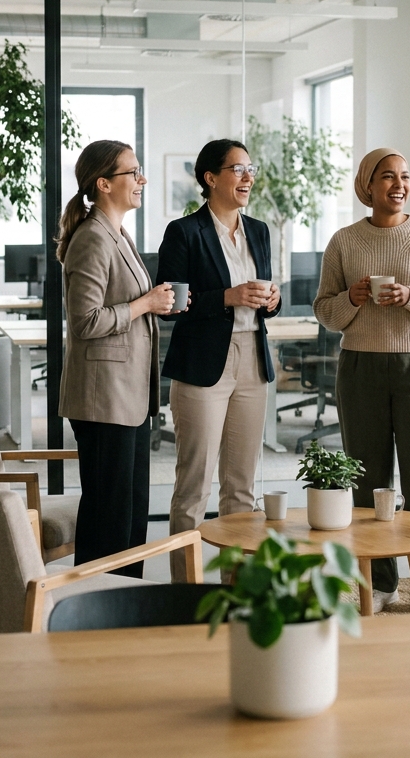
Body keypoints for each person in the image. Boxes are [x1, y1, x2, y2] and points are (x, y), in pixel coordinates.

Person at [314, 148, 410, 614]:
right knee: (367, 481)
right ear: (367, 185)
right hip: (359, 366)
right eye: (387, 177)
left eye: (404, 177)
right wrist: (353, 299)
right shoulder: (344, 241)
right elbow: (325, 311)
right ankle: (379, 583)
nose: (398, 185)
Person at [157, 139, 281, 582]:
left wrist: (273, 299)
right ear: (211, 178)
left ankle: (239, 587)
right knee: (194, 485)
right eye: (238, 169)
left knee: (241, 486)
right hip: (203, 364)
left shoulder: (260, 231)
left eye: (251, 169)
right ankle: (185, 588)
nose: (248, 177)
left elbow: (267, 299)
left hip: (252, 360)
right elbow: (172, 301)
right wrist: (227, 297)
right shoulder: (184, 232)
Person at [56, 140, 176, 577]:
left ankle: (123, 604)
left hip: (125, 397)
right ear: (104, 184)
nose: (141, 179)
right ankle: (95, 611)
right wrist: (144, 304)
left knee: (130, 514)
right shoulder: (92, 237)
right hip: (103, 400)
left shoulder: (117, 233)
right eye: (133, 172)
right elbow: (85, 321)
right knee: (109, 516)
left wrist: (155, 304)